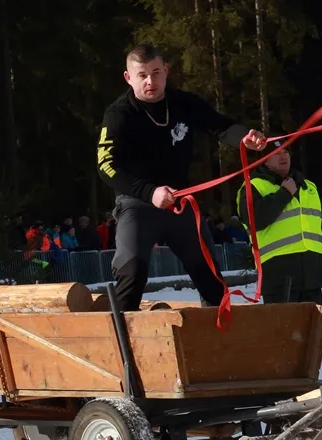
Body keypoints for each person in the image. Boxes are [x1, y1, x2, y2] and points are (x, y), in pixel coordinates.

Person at [97, 43, 267, 310]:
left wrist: (245, 137)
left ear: (166, 71)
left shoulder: (183, 103)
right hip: (137, 202)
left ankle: (217, 339)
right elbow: (106, 166)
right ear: (129, 78)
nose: (150, 81)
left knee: (210, 276)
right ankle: (121, 343)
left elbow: (220, 126)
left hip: (181, 202)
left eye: (155, 72)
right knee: (131, 274)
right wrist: (149, 192)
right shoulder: (118, 115)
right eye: (142, 75)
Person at [237, 140, 322, 304]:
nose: (283, 156)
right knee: (284, 330)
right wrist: (284, 194)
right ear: (264, 159)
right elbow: (254, 221)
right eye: (276, 153)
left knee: (314, 330)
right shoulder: (252, 187)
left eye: (285, 152)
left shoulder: (309, 187)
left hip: (312, 278)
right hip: (278, 280)